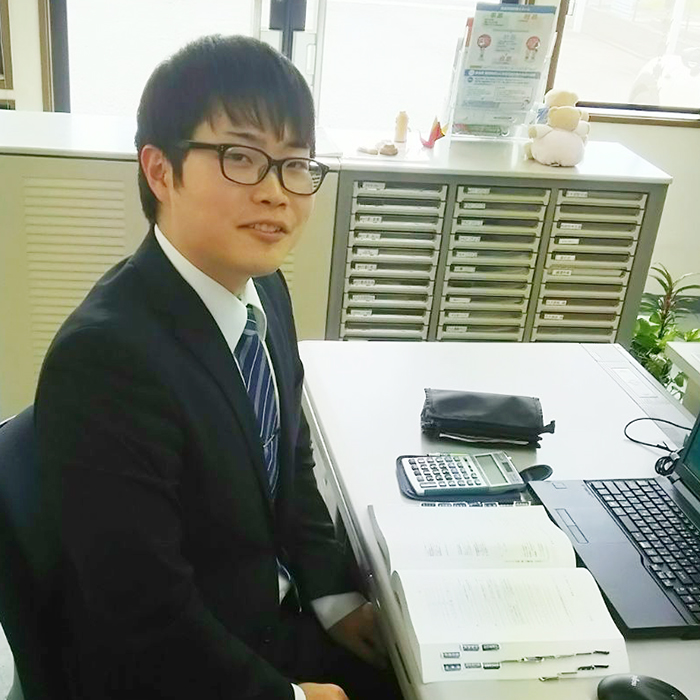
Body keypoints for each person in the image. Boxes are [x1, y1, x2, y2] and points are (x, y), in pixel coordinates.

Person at [35, 35, 400, 700]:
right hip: (186, 672)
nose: (277, 193)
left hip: (273, 620)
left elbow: (290, 460)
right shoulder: (106, 361)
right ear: (160, 172)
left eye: (295, 164)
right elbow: (143, 617)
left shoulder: (266, 290)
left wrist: (337, 597)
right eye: (242, 157)